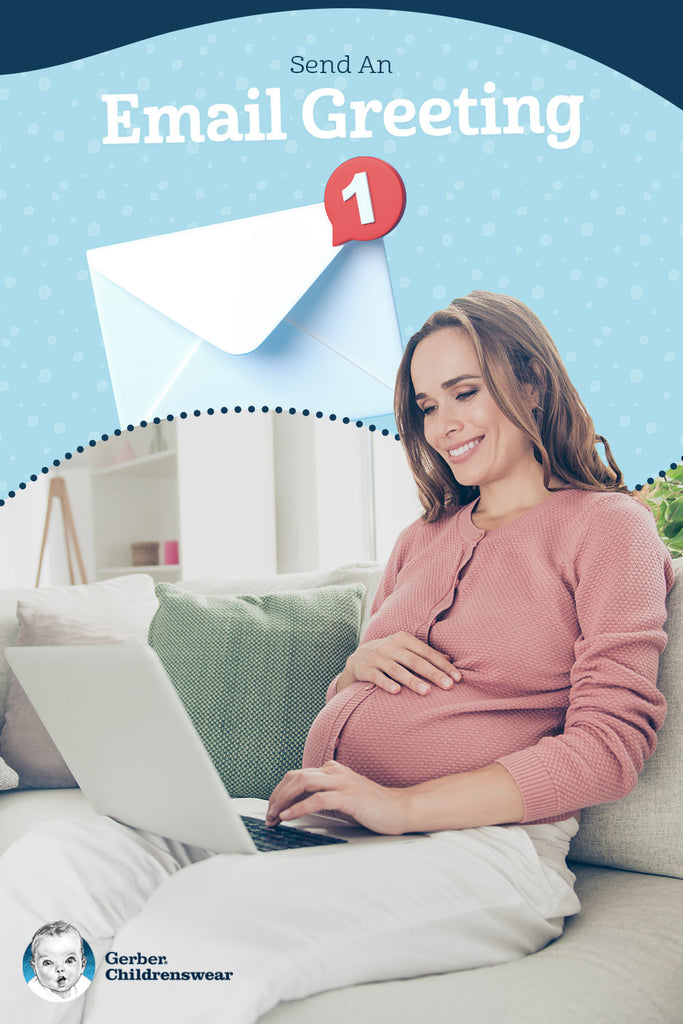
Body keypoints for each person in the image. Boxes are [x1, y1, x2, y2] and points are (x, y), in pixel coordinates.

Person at [0, 292, 674, 1024]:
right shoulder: (424, 536)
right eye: (423, 404)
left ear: (533, 381)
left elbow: (609, 748)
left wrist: (400, 806)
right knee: (59, 859)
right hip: (325, 822)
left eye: (464, 392)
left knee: (192, 933)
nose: (441, 423)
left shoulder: (607, 529)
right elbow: (350, 702)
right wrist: (354, 671)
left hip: (480, 849)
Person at [27, 921, 91, 1002]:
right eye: (48, 963)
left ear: (82, 965)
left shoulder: (85, 986)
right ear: (34, 968)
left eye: (69, 960)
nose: (60, 969)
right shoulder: (33, 992)